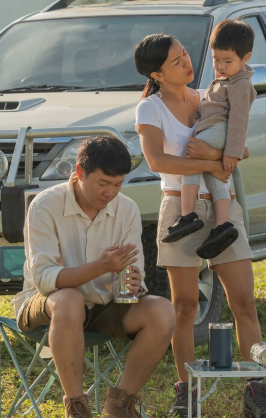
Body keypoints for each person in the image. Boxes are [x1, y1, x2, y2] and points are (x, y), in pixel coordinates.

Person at [134, 33, 266, 418]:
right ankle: (186, 391)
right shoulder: (149, 109)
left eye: (185, 54)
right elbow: (158, 161)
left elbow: (241, 148)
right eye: (176, 61)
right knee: (184, 307)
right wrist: (212, 163)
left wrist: (213, 156)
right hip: (179, 209)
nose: (187, 63)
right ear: (157, 74)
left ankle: (257, 389)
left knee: (244, 303)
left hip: (223, 207)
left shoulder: (210, 95)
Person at [14, 136, 175, 418]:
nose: (110, 193)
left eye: (118, 185)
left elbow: (132, 272)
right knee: (69, 300)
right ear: (79, 172)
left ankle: (119, 406)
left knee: (163, 310)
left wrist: (132, 283)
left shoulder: (127, 209)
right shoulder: (45, 205)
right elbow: (44, 278)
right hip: (48, 304)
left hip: (104, 303)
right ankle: (76, 407)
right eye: (103, 183)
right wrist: (100, 267)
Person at [163, 19, 257, 261]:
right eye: (216, 59)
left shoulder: (240, 84)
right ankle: (223, 225)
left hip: (220, 129)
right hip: (217, 129)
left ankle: (187, 215)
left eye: (228, 61)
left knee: (191, 159)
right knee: (214, 177)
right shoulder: (227, 79)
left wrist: (232, 152)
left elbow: (239, 120)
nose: (220, 66)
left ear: (245, 58)